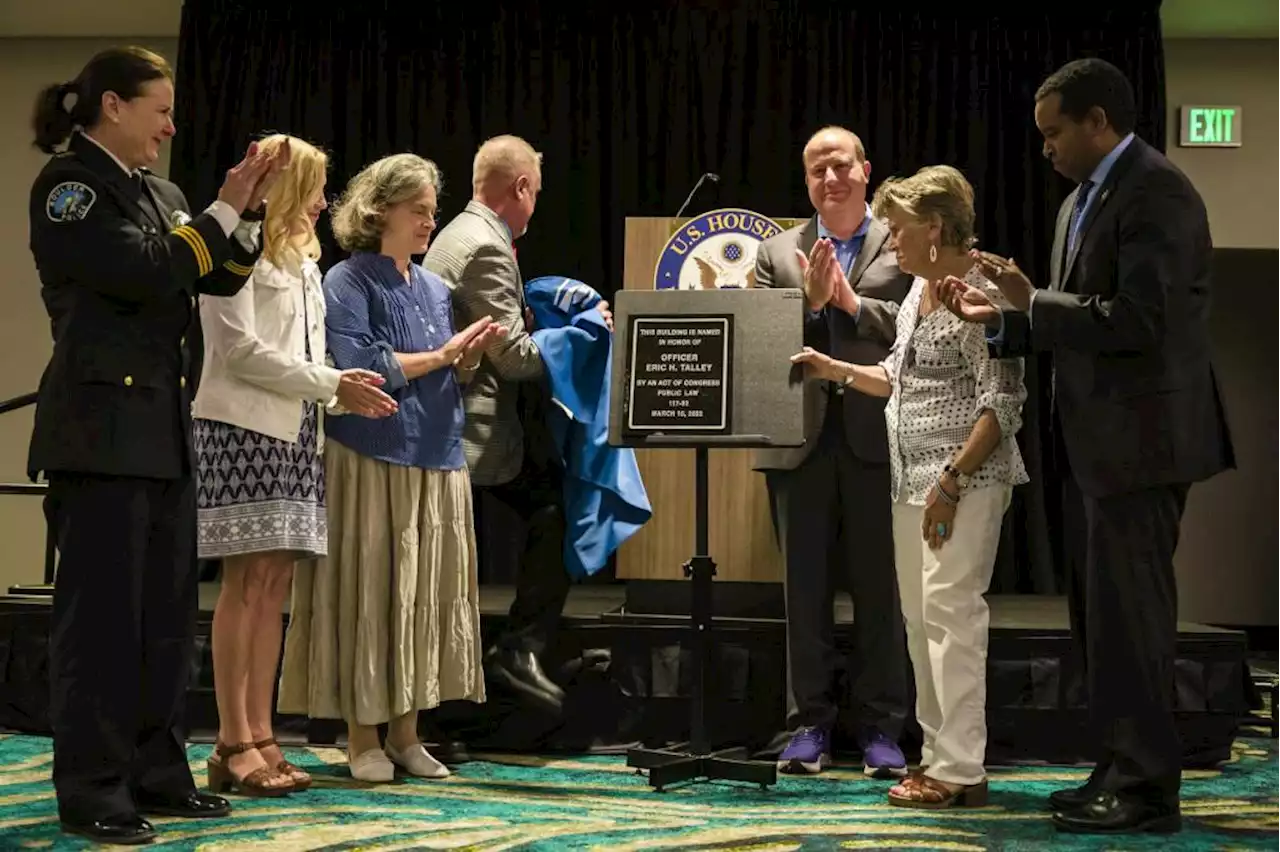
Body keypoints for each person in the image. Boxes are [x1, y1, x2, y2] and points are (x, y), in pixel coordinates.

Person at [937, 58, 1235, 834]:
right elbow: (1076, 321)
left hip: (1146, 444)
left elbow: (1139, 320)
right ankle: (1115, 764)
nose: (1045, 149)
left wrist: (1032, 300)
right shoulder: (1079, 204)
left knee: (1133, 619)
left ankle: (1146, 790)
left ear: (1098, 121)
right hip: (1097, 442)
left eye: (1053, 132)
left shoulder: (1157, 191)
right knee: (1099, 620)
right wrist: (999, 321)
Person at [26, 46, 287, 843]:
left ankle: (157, 771)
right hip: (101, 436)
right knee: (103, 625)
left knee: (166, 621)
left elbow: (219, 275)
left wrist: (245, 211)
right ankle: (94, 789)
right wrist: (219, 211)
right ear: (112, 105)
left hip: (164, 435)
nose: (171, 127)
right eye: (160, 110)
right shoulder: (70, 187)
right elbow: (144, 272)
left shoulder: (163, 192)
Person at [793, 165, 1028, 807]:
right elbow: (894, 378)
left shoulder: (983, 294)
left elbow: (1002, 404)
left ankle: (963, 770)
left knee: (953, 617)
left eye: (897, 229)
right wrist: (832, 368)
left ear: (934, 227)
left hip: (964, 482)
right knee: (920, 623)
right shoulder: (915, 298)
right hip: (908, 480)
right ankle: (936, 758)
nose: (890, 240)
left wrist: (951, 482)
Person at [277, 153, 501, 783]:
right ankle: (361, 736)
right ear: (380, 212)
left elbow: (443, 366)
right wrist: (442, 356)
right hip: (370, 456)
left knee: (421, 597)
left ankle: (407, 733)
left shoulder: (432, 285)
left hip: (437, 455)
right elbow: (359, 366)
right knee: (371, 593)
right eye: (421, 211)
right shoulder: (347, 281)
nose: (431, 222)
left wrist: (465, 359)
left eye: (433, 210)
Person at [191, 134, 398, 797]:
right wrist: (330, 383)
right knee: (245, 585)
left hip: (296, 433)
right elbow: (236, 350)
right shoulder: (237, 252)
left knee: (274, 588)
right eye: (313, 188)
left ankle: (262, 733)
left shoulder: (305, 262)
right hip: (241, 428)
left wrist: (340, 390)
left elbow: (306, 354)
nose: (322, 203)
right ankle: (231, 739)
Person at [423, 135, 612, 716]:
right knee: (552, 512)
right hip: (465, 433)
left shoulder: (462, 231)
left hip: (448, 424)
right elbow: (517, 360)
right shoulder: (487, 246)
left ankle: (505, 658)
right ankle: (515, 653)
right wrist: (586, 330)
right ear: (522, 188)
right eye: (536, 192)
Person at [752, 125, 913, 778]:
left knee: (882, 594)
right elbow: (764, 337)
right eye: (817, 169)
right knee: (805, 594)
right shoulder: (776, 252)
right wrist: (813, 311)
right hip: (801, 442)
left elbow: (914, 322)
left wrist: (849, 303)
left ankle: (882, 730)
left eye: (840, 165)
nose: (830, 178)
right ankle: (808, 726)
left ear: (866, 170)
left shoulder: (900, 241)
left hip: (880, 437)